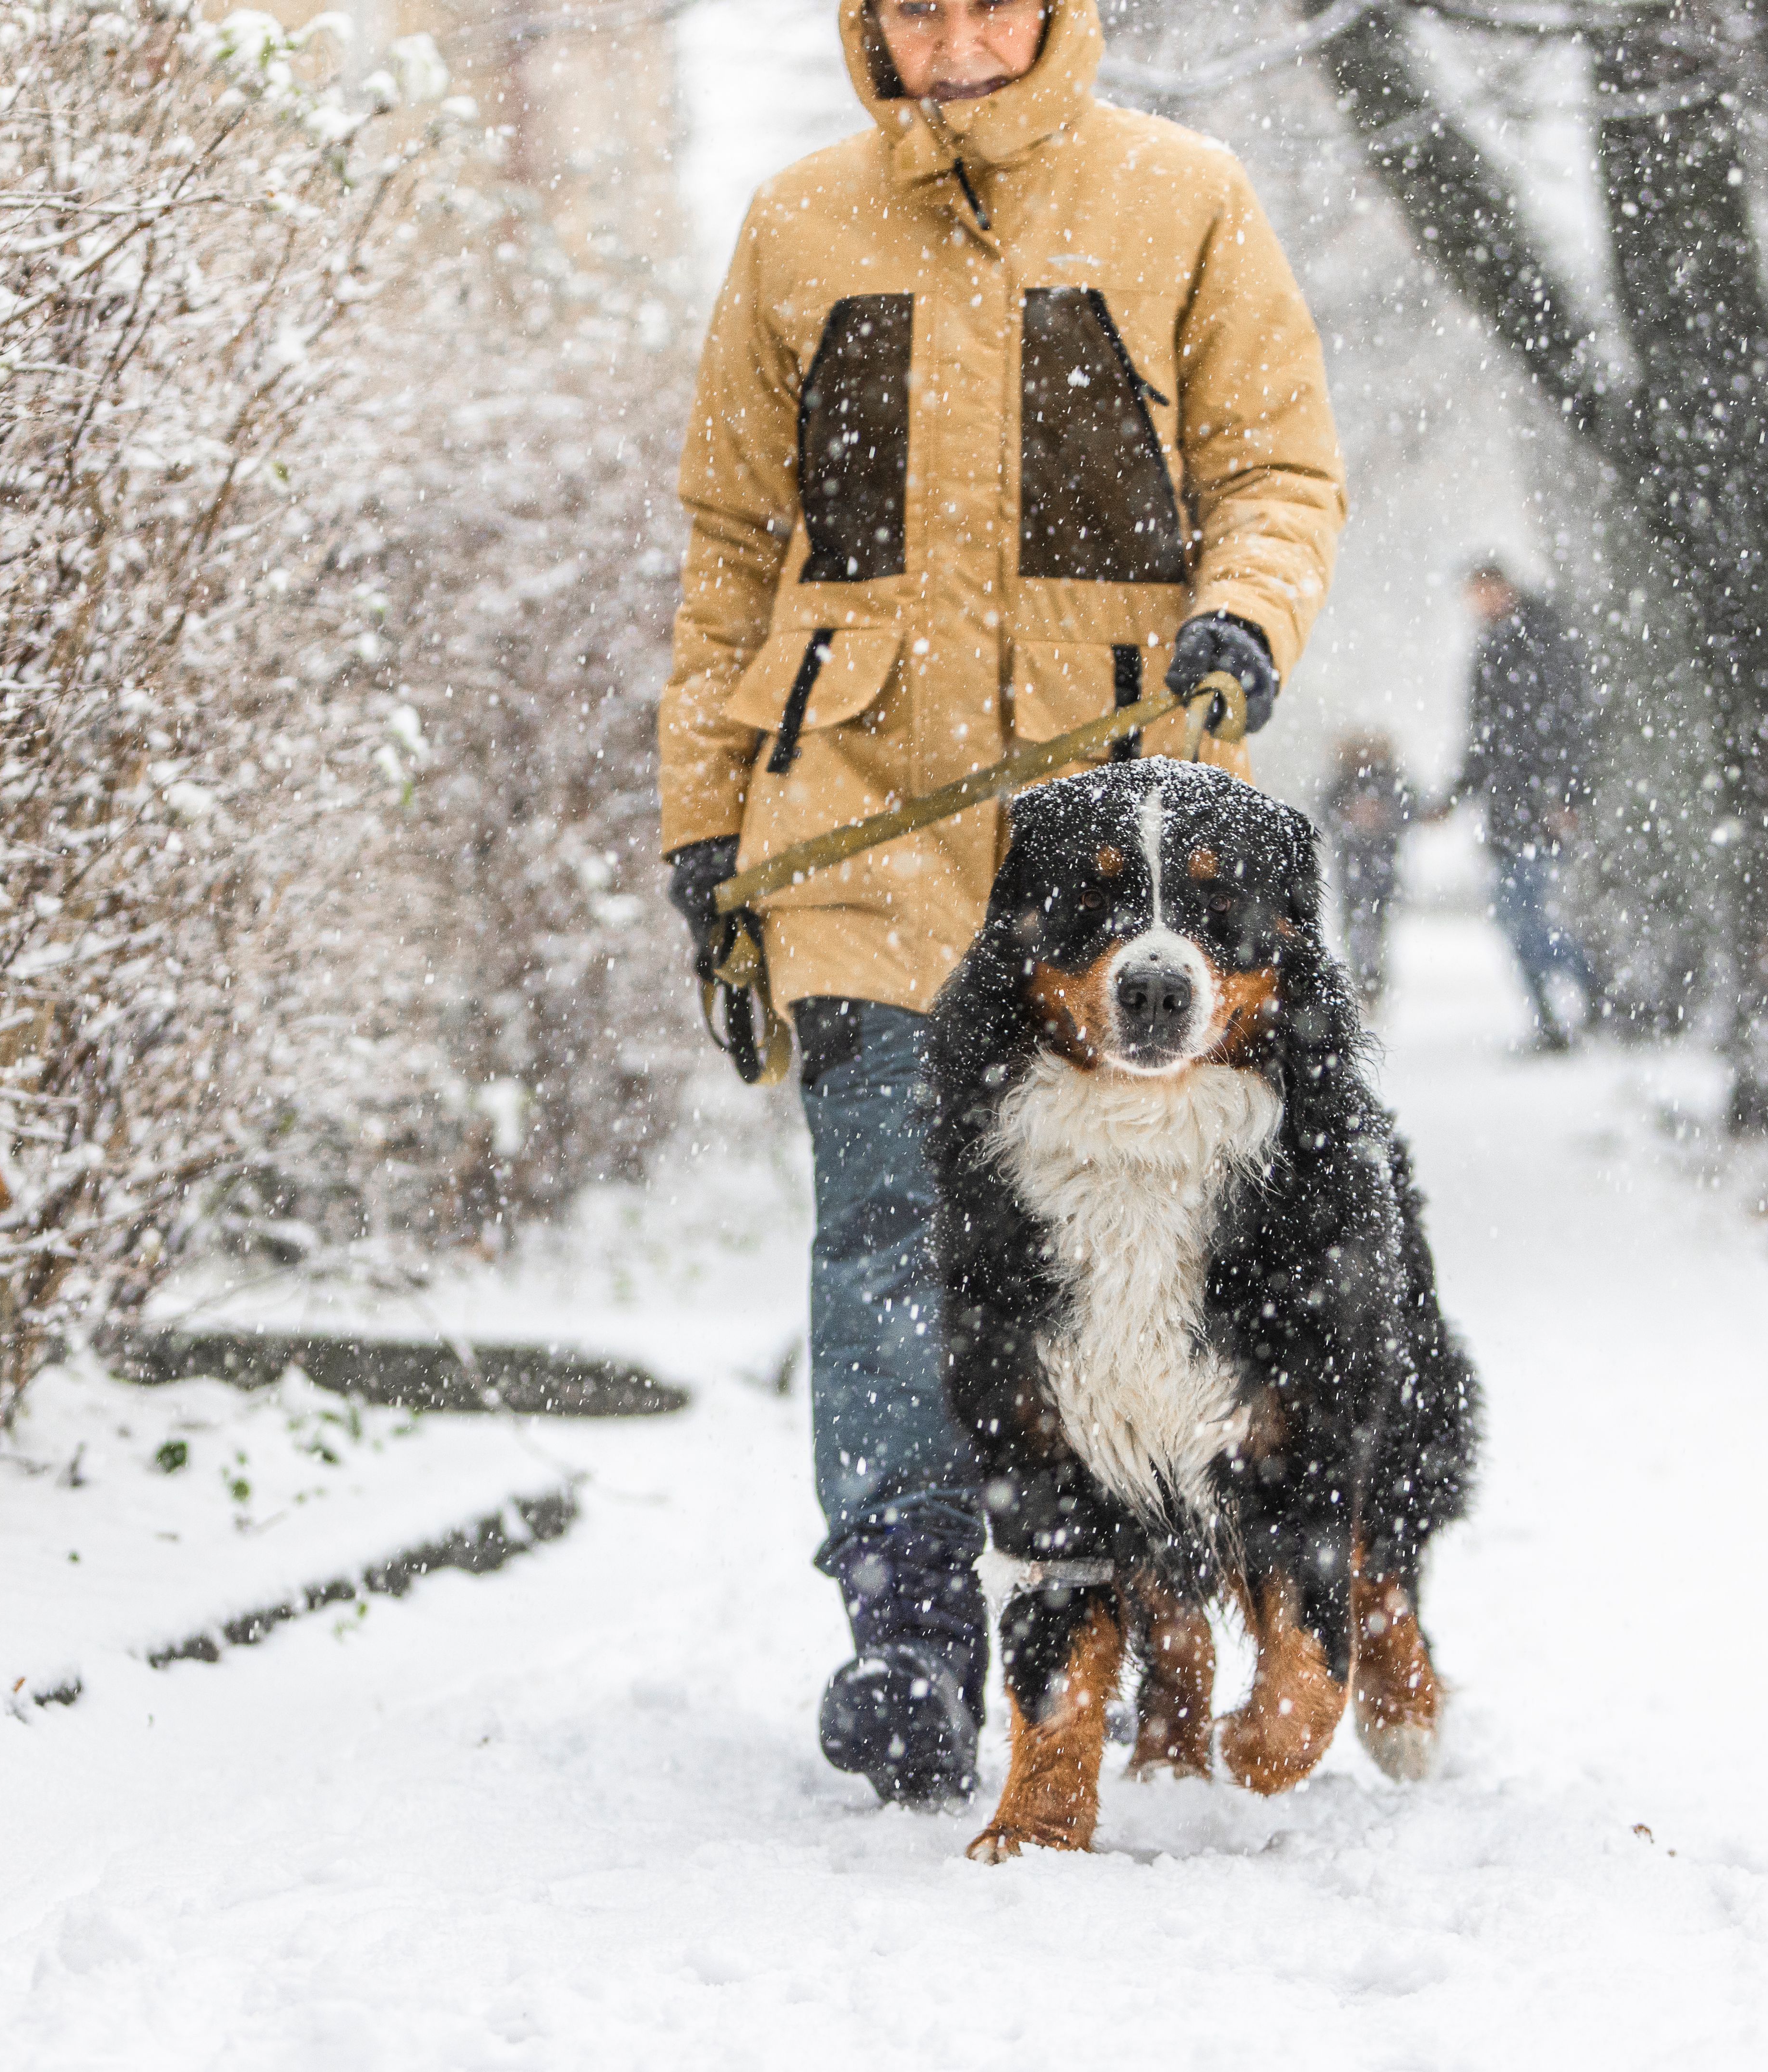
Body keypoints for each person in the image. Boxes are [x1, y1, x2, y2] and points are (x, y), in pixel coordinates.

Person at [655, 0, 1344, 1806]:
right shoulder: (800, 222)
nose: (952, 35)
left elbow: (1278, 466)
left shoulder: (1181, 198)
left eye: (988, 0)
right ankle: (905, 1627)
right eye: (913, 3)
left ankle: (1131, 1592)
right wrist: (705, 821)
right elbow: (732, 542)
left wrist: (1240, 618)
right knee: (888, 1224)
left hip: (1107, 851)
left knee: (1145, 1251)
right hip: (859, 818)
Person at [1444, 559, 1601, 1050]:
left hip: (1541, 807)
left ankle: (1594, 988)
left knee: (1523, 917)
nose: (1479, 604)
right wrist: (1451, 798)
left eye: (1485, 592)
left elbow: (1570, 722)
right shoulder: (1488, 650)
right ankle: (1552, 1020)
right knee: (1515, 920)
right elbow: (1482, 740)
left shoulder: (1545, 640)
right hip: (1506, 809)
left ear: (1504, 589)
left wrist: (1568, 796)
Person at [1321, 731, 1413, 1011]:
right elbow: (1326, 810)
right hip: (1352, 867)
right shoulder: (1343, 783)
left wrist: (1383, 817)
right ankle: (1365, 981)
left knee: (1377, 926)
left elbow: (1409, 810)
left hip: (1383, 868)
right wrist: (1349, 816)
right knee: (1357, 926)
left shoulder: (1391, 781)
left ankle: (1373, 981)